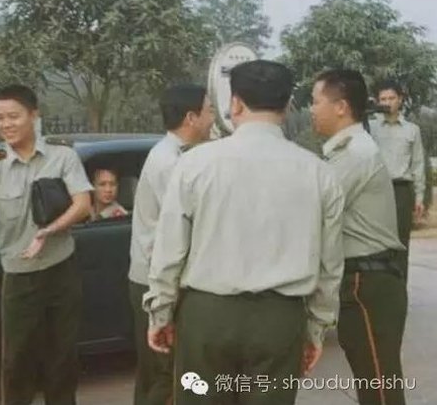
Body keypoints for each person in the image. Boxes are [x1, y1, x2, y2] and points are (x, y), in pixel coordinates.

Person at [144, 60, 345, 405]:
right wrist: (316, 328)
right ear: (286, 106)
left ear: (235, 103)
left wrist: (160, 312)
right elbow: (330, 267)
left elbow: (169, 249)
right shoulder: (320, 174)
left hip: (206, 318)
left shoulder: (194, 165)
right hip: (278, 322)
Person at [0, 84, 92, 405]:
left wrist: (47, 231)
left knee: (62, 359)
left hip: (61, 271)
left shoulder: (62, 156)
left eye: (13, 116)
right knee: (17, 362)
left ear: (34, 115)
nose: (5, 124)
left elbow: (83, 204)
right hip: (19, 276)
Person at [312, 70, 408, 405]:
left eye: (316, 101)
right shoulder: (346, 151)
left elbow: (315, 209)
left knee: (379, 390)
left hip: (367, 283)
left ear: (340, 107)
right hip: (364, 280)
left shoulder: (355, 154)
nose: (312, 109)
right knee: (376, 386)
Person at [129, 83, 214, 405]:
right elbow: (183, 227)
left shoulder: (177, 155)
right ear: (191, 117)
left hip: (157, 277)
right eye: (209, 111)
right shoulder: (170, 162)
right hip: (157, 281)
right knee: (167, 374)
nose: (213, 118)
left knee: (156, 373)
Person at [369, 81, 425, 281]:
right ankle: (379, 289)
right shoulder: (370, 127)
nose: (387, 102)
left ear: (400, 99)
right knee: (376, 242)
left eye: (391, 98)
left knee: (401, 243)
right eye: (383, 99)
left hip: (401, 190)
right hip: (376, 190)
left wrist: (419, 197)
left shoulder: (412, 130)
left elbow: (418, 164)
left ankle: (400, 289)